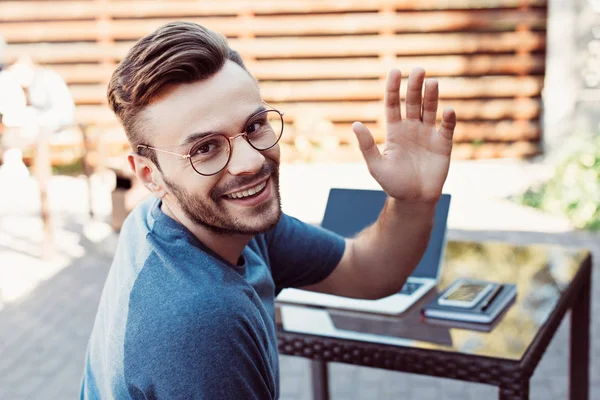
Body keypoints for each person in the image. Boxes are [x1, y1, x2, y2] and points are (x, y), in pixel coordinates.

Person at [80, 22, 456, 400]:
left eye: (255, 126)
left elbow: (369, 272)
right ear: (150, 174)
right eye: (205, 148)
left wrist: (413, 200)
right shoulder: (203, 319)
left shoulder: (201, 221)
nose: (249, 161)